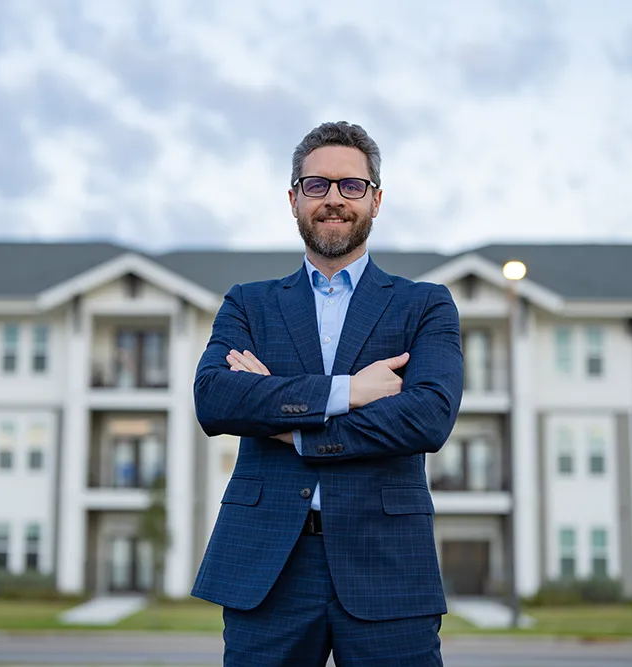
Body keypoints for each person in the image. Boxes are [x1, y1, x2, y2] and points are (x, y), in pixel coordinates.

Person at [191, 121, 464, 666]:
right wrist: (350, 391)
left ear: (376, 200)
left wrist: (289, 425)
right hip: (268, 565)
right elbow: (215, 398)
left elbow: (428, 418)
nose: (334, 199)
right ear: (293, 199)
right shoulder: (248, 303)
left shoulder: (425, 305)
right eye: (316, 185)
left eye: (351, 186)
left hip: (388, 563)